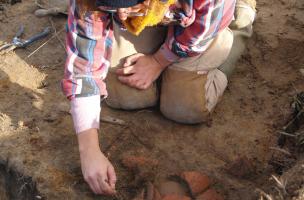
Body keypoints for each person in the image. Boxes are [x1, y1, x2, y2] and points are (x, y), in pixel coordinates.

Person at [61, 0, 256, 195]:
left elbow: (202, 32)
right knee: (123, 94)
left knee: (186, 108)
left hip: (206, 20)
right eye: (113, 5)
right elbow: (84, 70)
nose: (121, 14)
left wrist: (158, 61)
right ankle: (161, 37)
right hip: (165, 12)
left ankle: (240, 19)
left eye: (129, 4)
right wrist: (89, 152)